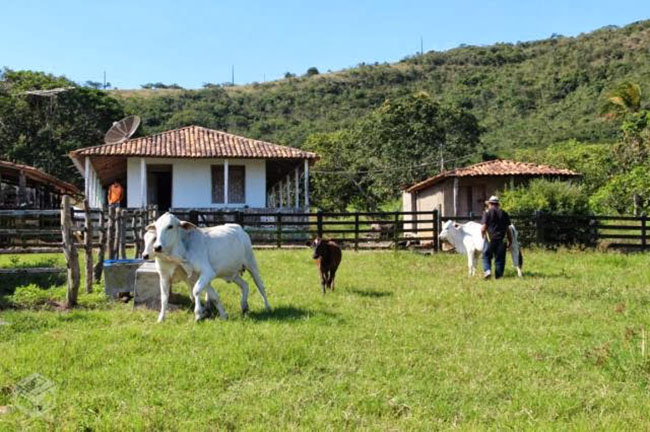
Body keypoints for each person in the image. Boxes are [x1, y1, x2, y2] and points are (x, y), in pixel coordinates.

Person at [481, 195, 512, 279]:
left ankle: (487, 271)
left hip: (490, 239)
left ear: (490, 204)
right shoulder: (504, 213)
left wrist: (482, 235)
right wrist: (510, 240)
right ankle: (499, 276)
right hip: (502, 239)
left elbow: (483, 227)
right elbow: (507, 229)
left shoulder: (487, 213)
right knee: (500, 259)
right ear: (498, 204)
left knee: (486, 256)